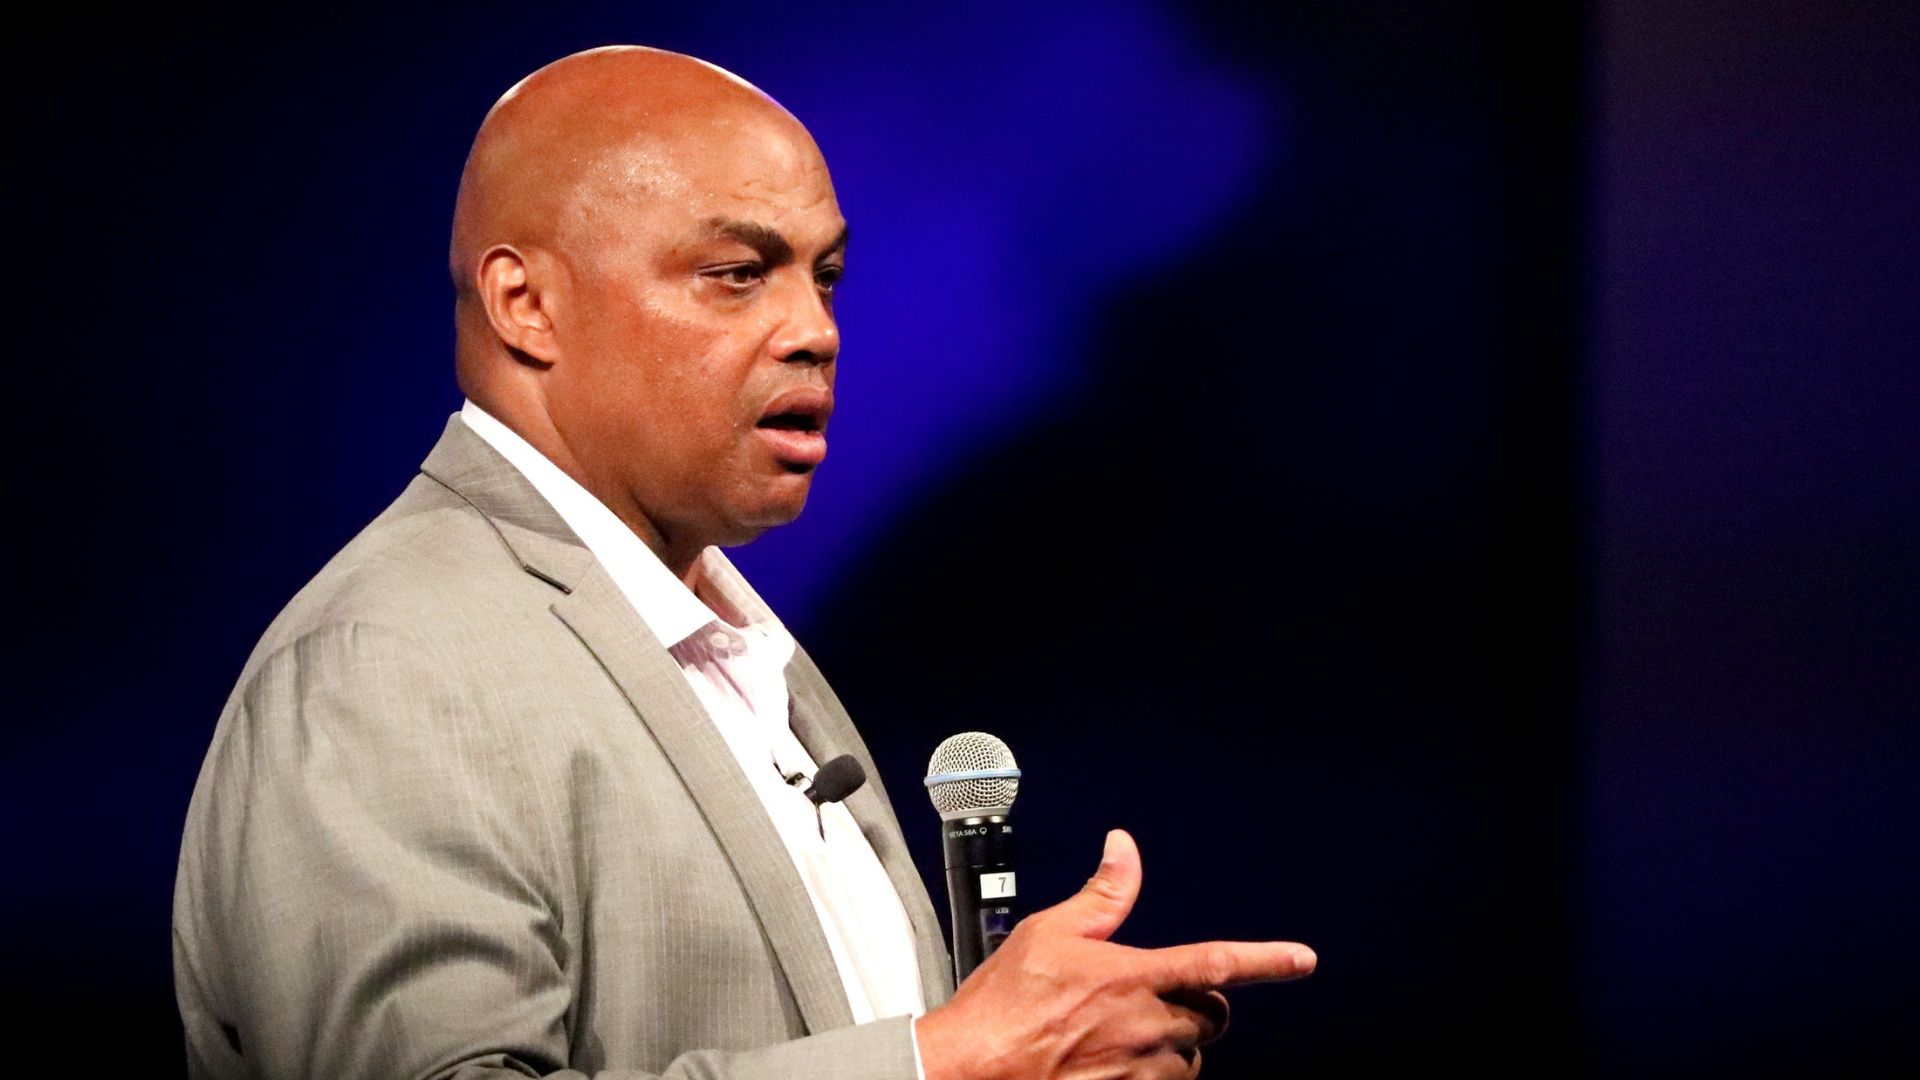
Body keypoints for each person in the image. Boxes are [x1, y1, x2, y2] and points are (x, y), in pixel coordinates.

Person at [171, 45, 1316, 1080]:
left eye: (824, 276)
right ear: (528, 304)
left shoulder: (728, 639)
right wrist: (941, 1065)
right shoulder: (391, 661)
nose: (814, 326)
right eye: (736, 272)